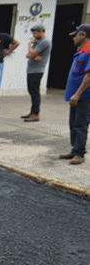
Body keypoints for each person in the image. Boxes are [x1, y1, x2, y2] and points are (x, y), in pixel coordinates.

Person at [59, 24, 90, 165]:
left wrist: (77, 94)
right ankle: (74, 149)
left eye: (76, 35)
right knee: (73, 123)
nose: (74, 38)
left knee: (80, 124)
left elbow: (89, 75)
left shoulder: (89, 50)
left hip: (84, 96)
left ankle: (79, 153)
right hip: (76, 96)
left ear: (82, 35)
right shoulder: (81, 50)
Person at [22, 24, 52, 122]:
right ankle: (32, 111)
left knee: (35, 92)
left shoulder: (45, 41)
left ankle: (35, 114)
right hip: (31, 70)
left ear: (41, 32)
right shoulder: (38, 42)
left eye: (35, 33)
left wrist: (29, 45)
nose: (34, 35)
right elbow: (28, 55)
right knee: (31, 91)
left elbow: (31, 53)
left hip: (37, 70)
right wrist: (32, 54)